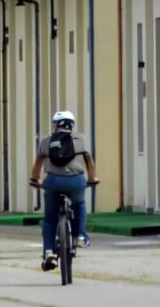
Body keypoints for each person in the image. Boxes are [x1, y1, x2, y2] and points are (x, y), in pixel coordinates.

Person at [29, 110, 99, 272]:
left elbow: (38, 164)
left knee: (50, 219)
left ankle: (49, 252)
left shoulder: (46, 142)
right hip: (76, 181)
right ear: (72, 124)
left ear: (55, 125)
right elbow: (89, 161)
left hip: (53, 182)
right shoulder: (80, 140)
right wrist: (92, 178)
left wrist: (35, 179)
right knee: (79, 204)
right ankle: (80, 236)